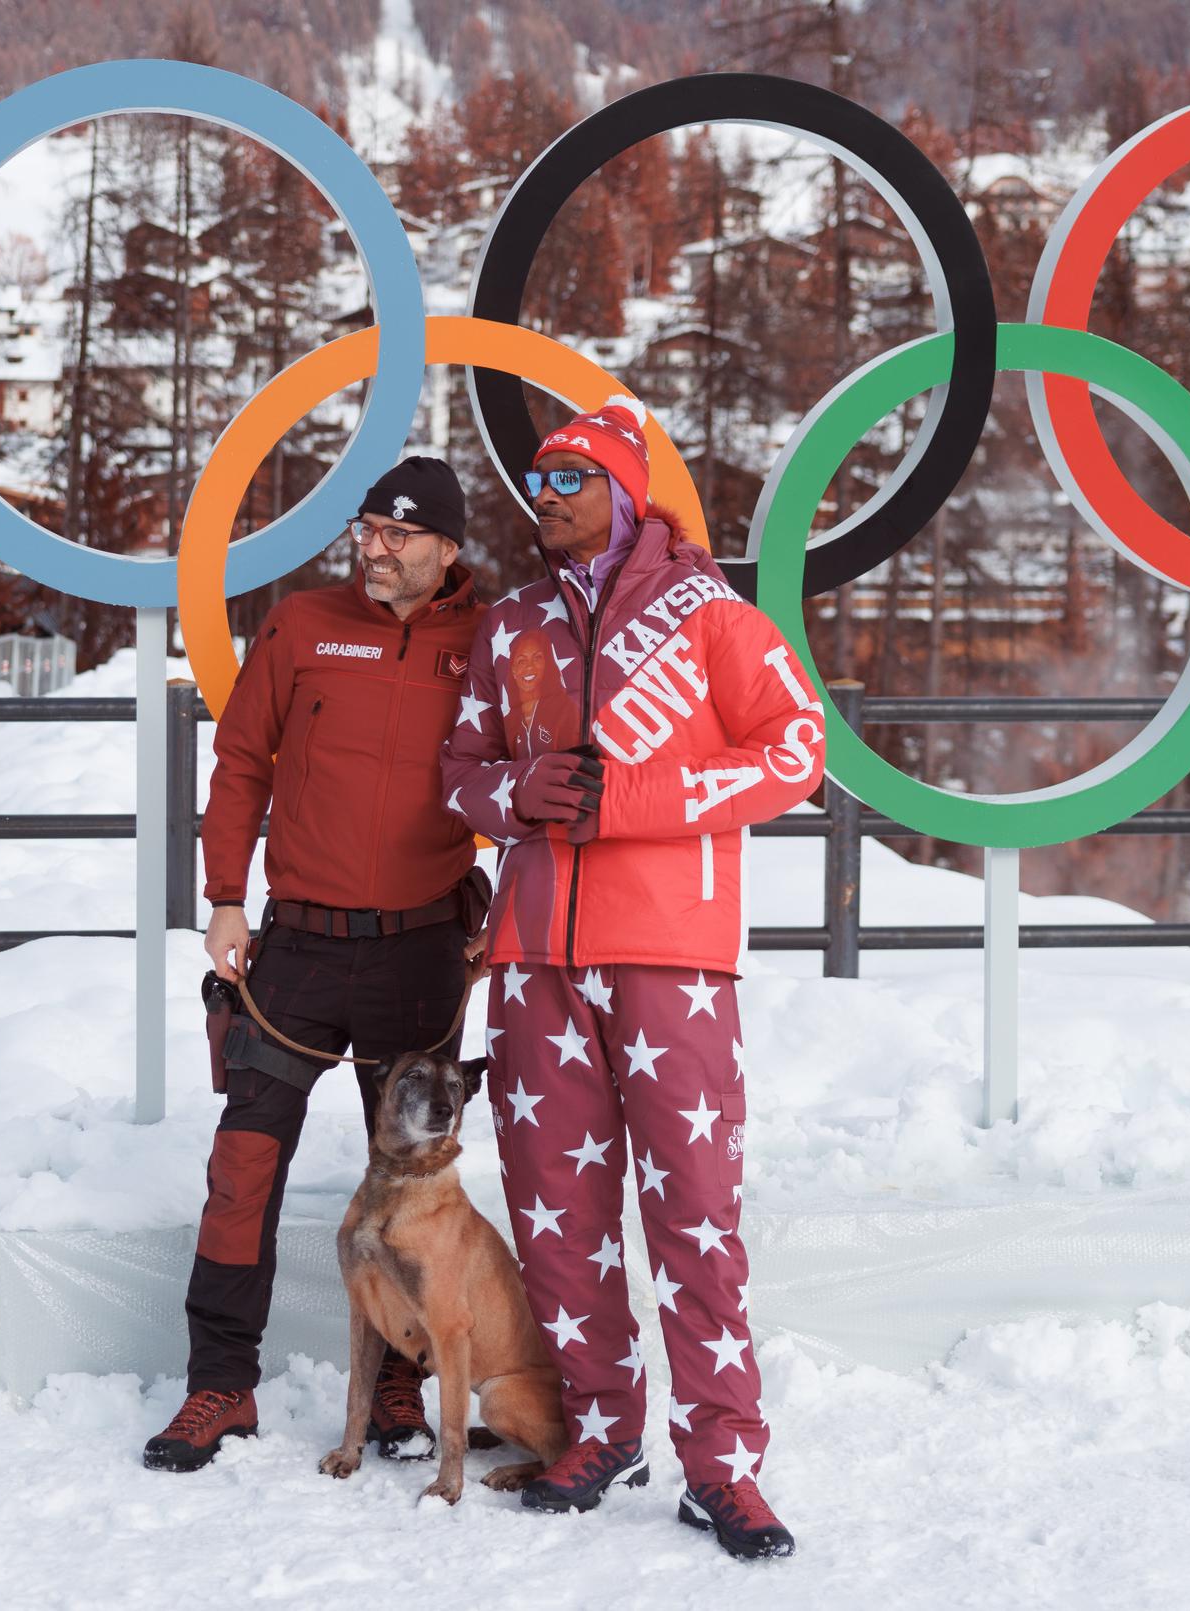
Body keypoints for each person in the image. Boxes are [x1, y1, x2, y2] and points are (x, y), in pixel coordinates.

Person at [441, 398, 824, 1561]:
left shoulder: (713, 616)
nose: (542, 498)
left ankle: (727, 1467)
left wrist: (632, 803)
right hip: (534, 961)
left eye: (565, 479)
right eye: (536, 483)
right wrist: (517, 798)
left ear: (622, 486)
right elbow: (459, 770)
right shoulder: (508, 626)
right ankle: (604, 1431)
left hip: (673, 958)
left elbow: (798, 751)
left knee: (694, 1217)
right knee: (561, 1218)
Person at [144, 456, 488, 1475]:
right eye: (366, 526)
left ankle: (395, 1380)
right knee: (242, 1166)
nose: (372, 547)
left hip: (422, 950)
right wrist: (222, 899)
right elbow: (243, 762)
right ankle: (220, 1385)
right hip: (294, 946)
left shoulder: (492, 638)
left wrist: (509, 906)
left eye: (398, 534)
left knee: (407, 1188)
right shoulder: (300, 623)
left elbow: (525, 774)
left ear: (449, 550)